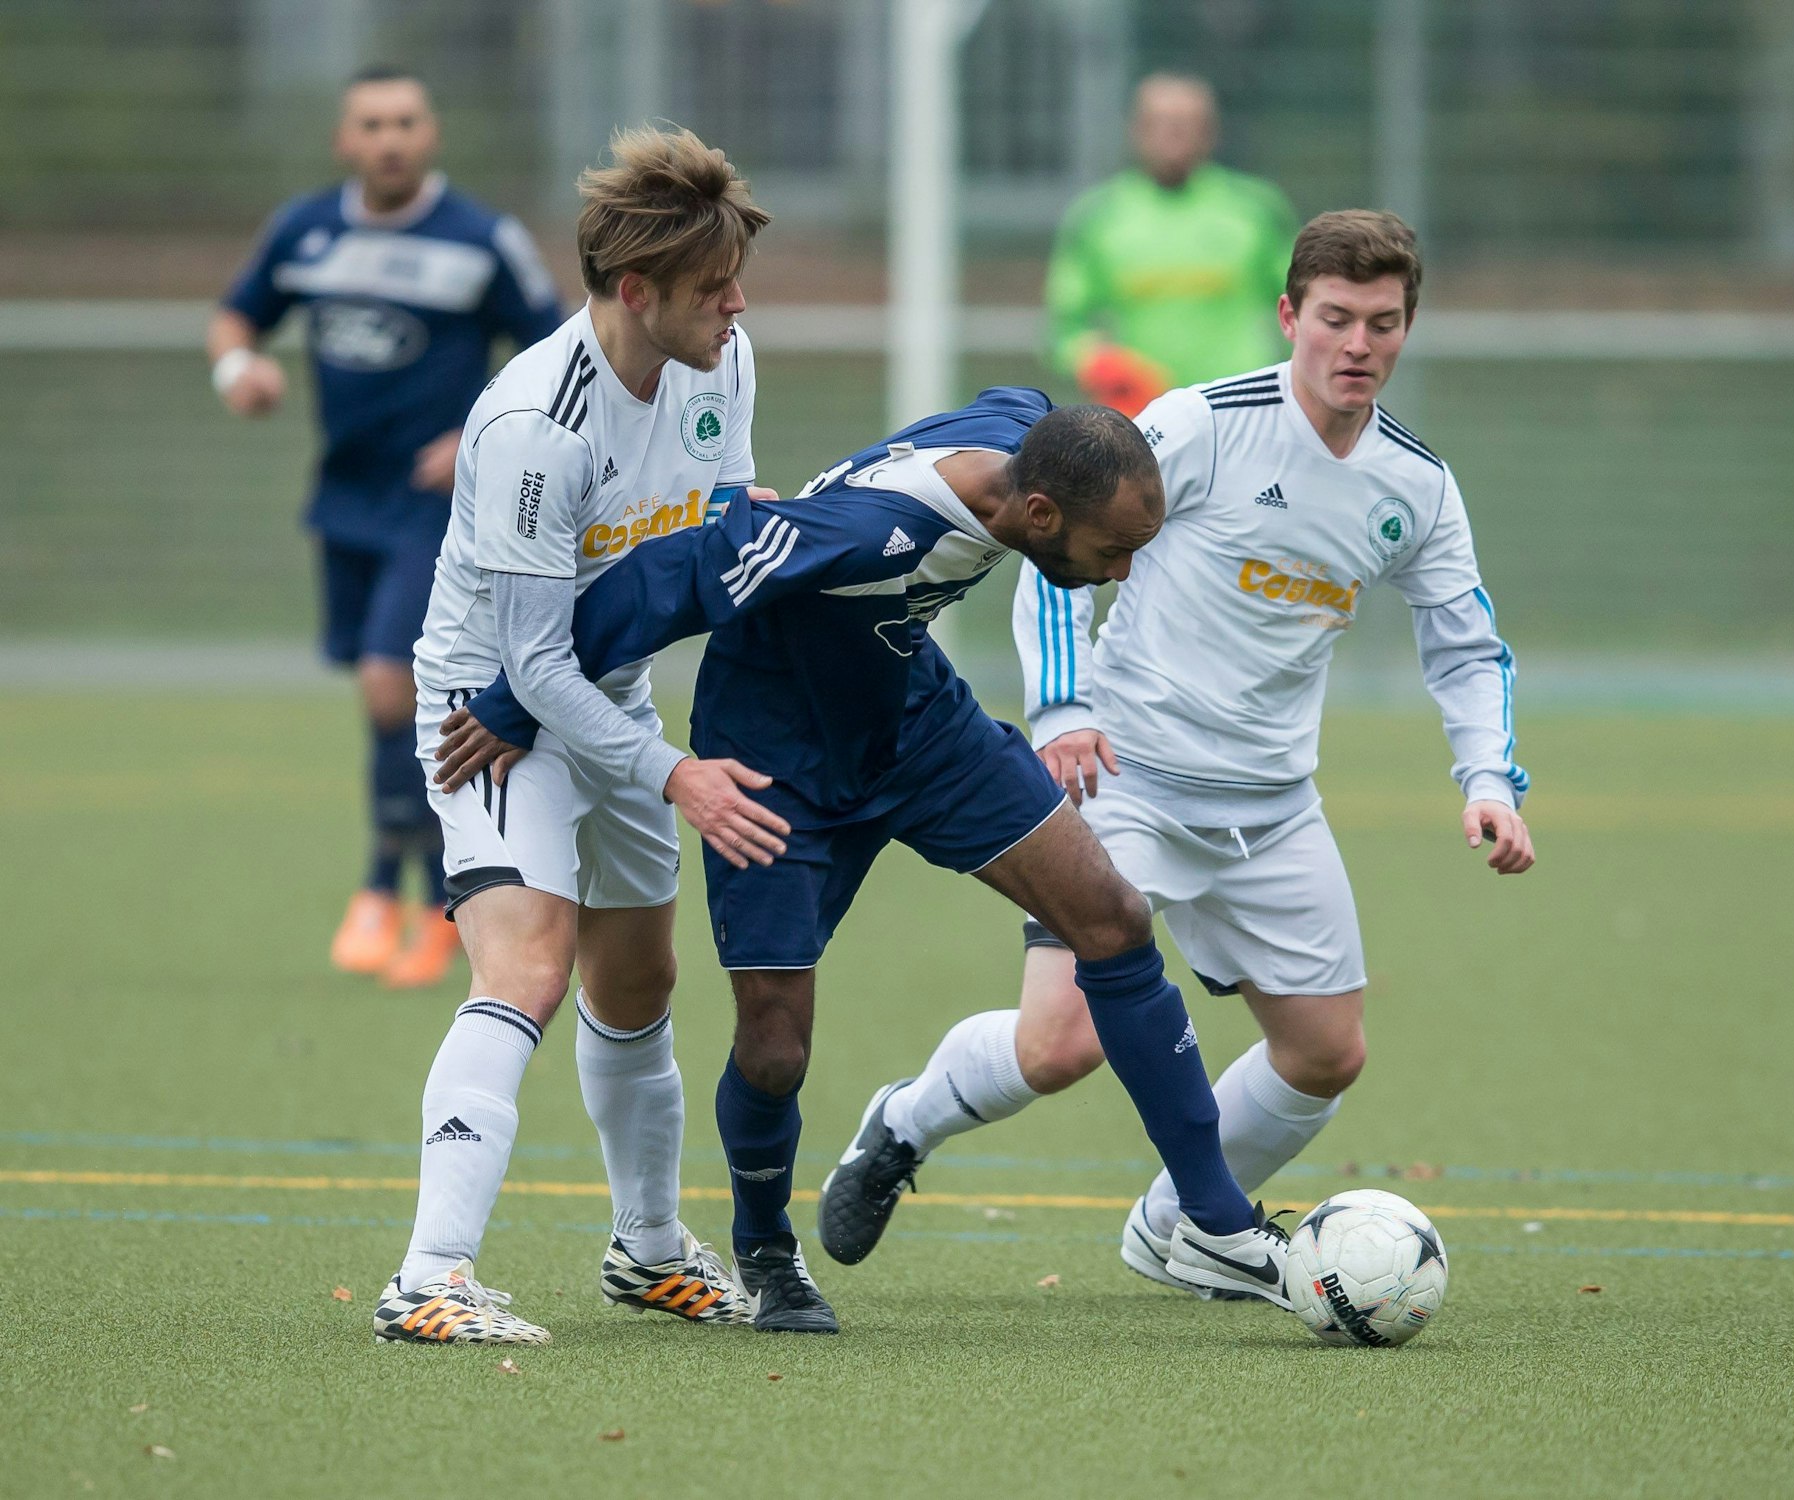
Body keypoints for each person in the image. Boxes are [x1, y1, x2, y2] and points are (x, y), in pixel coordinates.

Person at [438, 393, 1296, 1334]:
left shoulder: (1026, 439)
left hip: (918, 727)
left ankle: (1213, 1220)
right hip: (777, 763)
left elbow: (1036, 406)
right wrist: (513, 705)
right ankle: (764, 1250)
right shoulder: (866, 533)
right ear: (1040, 514)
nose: (1126, 570)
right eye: (1115, 549)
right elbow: (672, 577)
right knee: (775, 1046)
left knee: (1115, 921)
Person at [819, 211, 1537, 1290]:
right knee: (1056, 1046)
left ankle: (1177, 1226)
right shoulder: (1200, 425)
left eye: (1381, 324)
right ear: (1289, 315)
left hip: (1272, 805)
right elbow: (1048, 545)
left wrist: (1486, 779)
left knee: (1324, 1055)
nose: (1356, 345)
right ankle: (902, 1123)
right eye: (1334, 318)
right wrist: (1062, 714)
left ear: (1406, 328)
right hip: (1127, 781)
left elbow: (1463, 641)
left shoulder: (1414, 486)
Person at [370, 125, 781, 1346]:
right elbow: (531, 665)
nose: (737, 305)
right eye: (713, 290)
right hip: (488, 721)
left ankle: (646, 1249)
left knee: (639, 979)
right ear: (635, 290)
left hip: (610, 697)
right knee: (530, 967)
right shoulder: (533, 430)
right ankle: (428, 1278)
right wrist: (680, 781)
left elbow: (718, 539)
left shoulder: (724, 361)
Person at [209, 66, 564, 988]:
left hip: (440, 510)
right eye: (372, 124)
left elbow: (557, 350)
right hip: (345, 500)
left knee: (386, 682)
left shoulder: (481, 240)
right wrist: (238, 370)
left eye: (406, 120)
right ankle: (413, 891)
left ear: (431, 132)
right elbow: (235, 316)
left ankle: (402, 892)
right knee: (380, 696)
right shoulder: (306, 230)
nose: (391, 138)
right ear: (345, 140)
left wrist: (476, 433)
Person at [1047, 73, 1295, 417]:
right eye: (1159, 123)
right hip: (1142, 417)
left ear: (1212, 131)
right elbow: (1066, 328)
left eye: (1186, 124)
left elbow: (1303, 306)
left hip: (1242, 411)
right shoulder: (1098, 217)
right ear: (1135, 130)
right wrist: (1102, 365)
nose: (1173, 134)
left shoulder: (1256, 210)